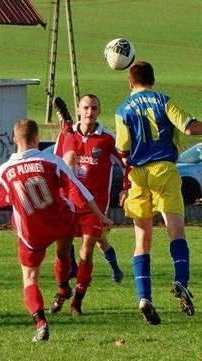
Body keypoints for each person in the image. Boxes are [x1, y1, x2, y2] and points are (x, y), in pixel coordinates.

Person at [0, 118, 113, 342]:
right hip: (60, 221)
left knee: (30, 278)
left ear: (13, 139)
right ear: (37, 139)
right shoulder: (52, 161)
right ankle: (63, 287)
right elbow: (80, 192)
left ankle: (40, 321)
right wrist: (101, 216)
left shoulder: (5, 170)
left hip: (31, 231)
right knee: (63, 252)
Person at [115, 61, 202, 325]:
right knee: (176, 230)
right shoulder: (164, 101)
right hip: (164, 169)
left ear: (131, 82)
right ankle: (181, 281)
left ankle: (144, 297)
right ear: (153, 79)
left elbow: (123, 149)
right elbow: (189, 127)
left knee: (142, 239)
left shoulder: (122, 110)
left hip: (138, 175)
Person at [49, 94, 130, 316]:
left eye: (94, 108)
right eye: (85, 108)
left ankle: (77, 301)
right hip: (67, 205)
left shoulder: (107, 139)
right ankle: (63, 290)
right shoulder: (66, 136)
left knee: (87, 251)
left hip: (94, 207)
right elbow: (55, 167)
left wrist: (126, 186)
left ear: (99, 111)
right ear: (78, 110)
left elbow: (126, 164)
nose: (89, 112)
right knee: (62, 252)